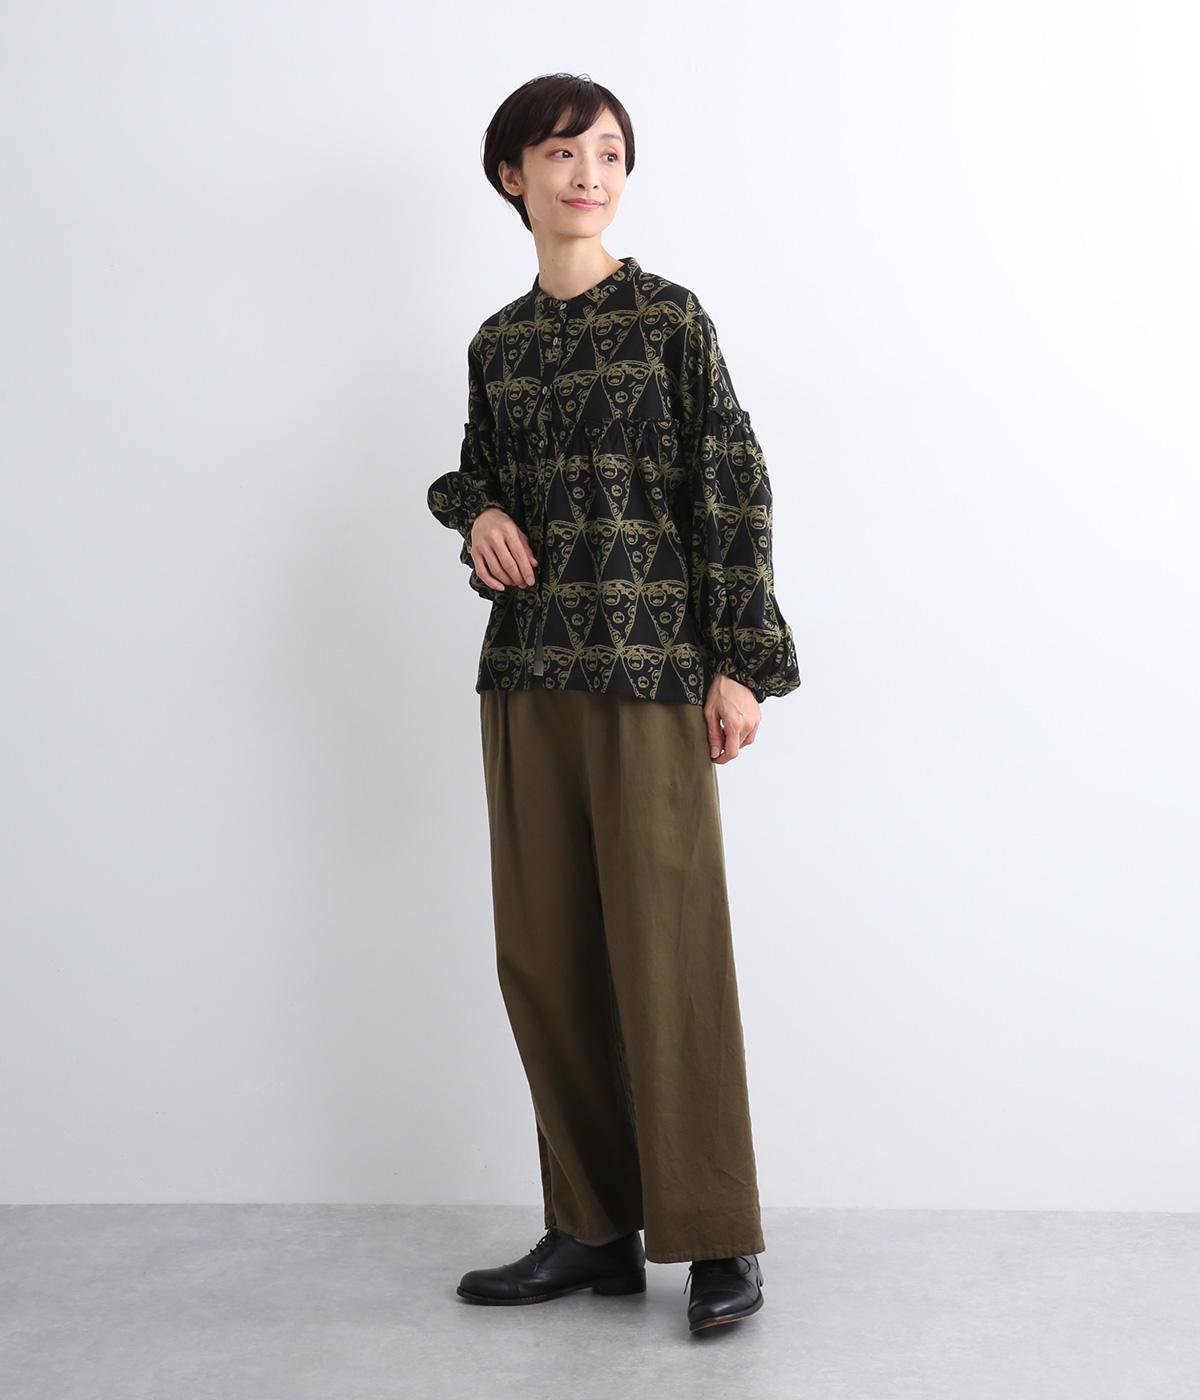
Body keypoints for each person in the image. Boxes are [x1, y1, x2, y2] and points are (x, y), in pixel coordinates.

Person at [426, 72, 800, 1335]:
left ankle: (717, 1232)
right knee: (544, 954)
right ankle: (591, 1225)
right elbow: (477, 472)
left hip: (650, 669)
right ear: (512, 175)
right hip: (530, 671)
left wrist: (740, 659)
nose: (589, 174)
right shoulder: (497, 343)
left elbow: (732, 484)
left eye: (610, 154)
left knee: (666, 950)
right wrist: (477, 510)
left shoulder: (669, 319)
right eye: (562, 152)